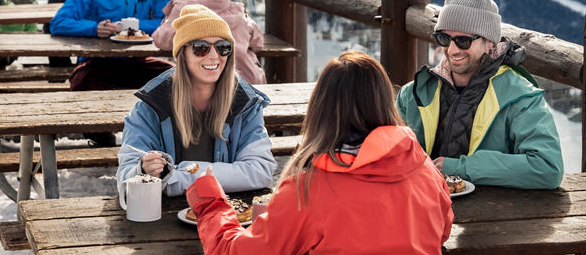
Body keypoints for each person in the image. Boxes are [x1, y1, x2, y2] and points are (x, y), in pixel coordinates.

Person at [186, 51, 453, 254]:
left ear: (320, 109)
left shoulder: (306, 192)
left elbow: (234, 251)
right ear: (384, 100)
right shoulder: (425, 170)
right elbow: (442, 231)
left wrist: (210, 202)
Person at [396, 0, 564, 189]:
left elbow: (548, 167)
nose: (453, 50)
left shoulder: (521, 98)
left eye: (463, 41)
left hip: (497, 209)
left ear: (490, 42)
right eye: (445, 38)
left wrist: (461, 168)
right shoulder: (412, 94)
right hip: (419, 206)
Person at [116, 5, 276, 196]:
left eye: (223, 47)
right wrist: (142, 170)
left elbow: (260, 169)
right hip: (163, 212)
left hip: (228, 210)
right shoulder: (151, 104)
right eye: (201, 48)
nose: (214, 56)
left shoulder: (246, 103)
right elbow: (126, 177)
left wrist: (174, 177)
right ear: (183, 54)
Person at [50, 0, 173, 146]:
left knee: (176, 78)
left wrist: (135, 26)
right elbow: (59, 22)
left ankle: (164, 139)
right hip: (97, 63)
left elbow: (171, 20)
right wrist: (93, 28)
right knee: (82, 84)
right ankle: (101, 137)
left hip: (138, 61)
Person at [153, 0, 267, 84]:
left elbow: (161, 40)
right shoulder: (238, 10)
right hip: (248, 82)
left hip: (202, 85)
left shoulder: (182, 9)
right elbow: (258, 43)